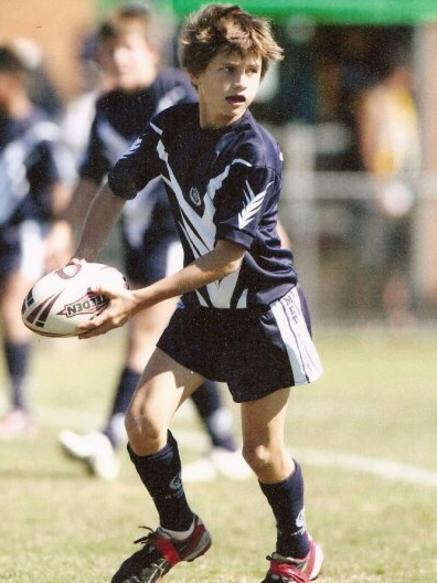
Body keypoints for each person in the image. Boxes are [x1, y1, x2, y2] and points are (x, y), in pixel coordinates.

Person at [68, 4, 325, 582]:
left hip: (261, 312)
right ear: (196, 73)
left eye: (252, 71)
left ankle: (296, 549)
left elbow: (224, 261)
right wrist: (82, 263)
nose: (241, 83)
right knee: (142, 421)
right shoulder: (170, 127)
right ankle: (181, 532)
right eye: (228, 69)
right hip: (205, 311)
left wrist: (138, 298)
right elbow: (114, 188)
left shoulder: (253, 152)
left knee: (259, 453)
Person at [57, 2, 250, 482]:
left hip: (178, 232)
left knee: (145, 332)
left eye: (128, 49)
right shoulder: (105, 106)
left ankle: (105, 437)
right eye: (110, 51)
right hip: (139, 234)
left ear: (150, 51)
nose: (119, 60)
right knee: (174, 338)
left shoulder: (176, 95)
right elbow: (91, 178)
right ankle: (225, 443)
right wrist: (65, 232)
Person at [0, 44, 71, 438]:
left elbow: (59, 190)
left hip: (24, 233)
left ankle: (22, 406)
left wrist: (59, 232)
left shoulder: (40, 131)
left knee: (13, 310)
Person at [354, 46, 420, 324]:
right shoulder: (376, 100)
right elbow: (369, 144)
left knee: (399, 255)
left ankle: (396, 311)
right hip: (381, 188)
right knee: (373, 255)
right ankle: (363, 313)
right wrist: (378, 185)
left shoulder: (406, 102)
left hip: (405, 187)